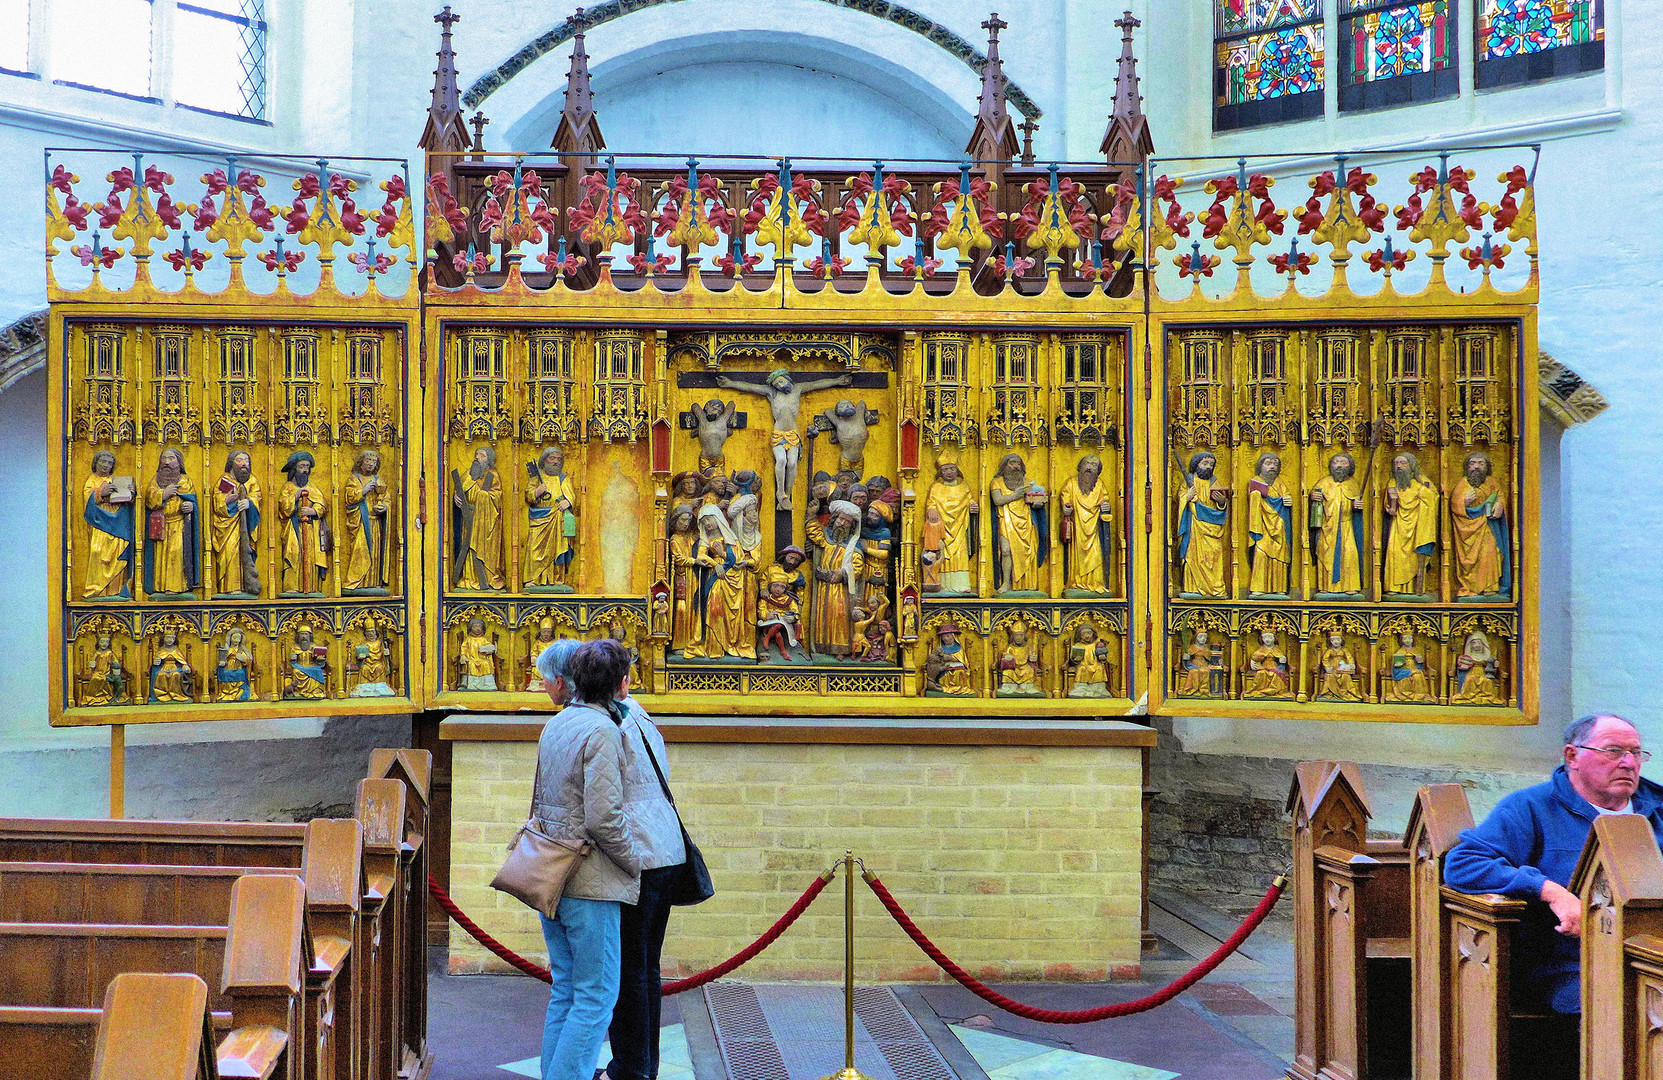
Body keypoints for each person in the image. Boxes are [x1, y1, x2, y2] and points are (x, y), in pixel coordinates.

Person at [1444, 714, 1663, 1076]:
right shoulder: (1530, 807)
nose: (1628, 762)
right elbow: (1464, 864)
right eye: (1614, 751)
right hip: (1571, 965)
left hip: (1652, 951)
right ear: (1572, 756)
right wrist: (1549, 890)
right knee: (1622, 1008)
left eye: (1637, 753)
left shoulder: (1656, 808)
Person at [532, 638, 642, 1080]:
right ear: (618, 684)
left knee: (566, 990)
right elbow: (604, 818)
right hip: (590, 879)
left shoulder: (558, 723)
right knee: (596, 997)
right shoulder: (602, 731)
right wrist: (634, 861)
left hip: (552, 871)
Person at [606, 672, 690, 1080]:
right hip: (666, 846)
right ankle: (645, 1065)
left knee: (629, 971)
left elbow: (605, 803)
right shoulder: (638, 713)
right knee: (645, 967)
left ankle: (631, 1068)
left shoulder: (609, 722)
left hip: (642, 853)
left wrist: (626, 857)